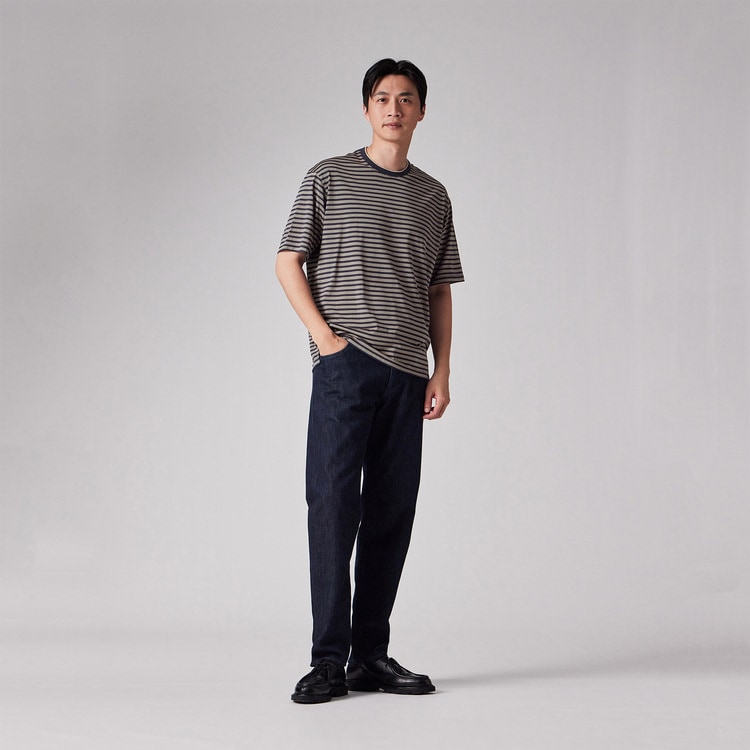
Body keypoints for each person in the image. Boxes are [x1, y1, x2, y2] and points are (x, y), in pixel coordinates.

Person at [275, 58, 464, 704]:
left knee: (392, 512)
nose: (393, 109)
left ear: (421, 111)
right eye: (382, 98)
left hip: (408, 374)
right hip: (347, 367)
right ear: (366, 109)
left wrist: (441, 368)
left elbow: (439, 289)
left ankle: (369, 657)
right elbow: (288, 261)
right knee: (333, 507)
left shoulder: (434, 197)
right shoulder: (328, 177)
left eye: (406, 99)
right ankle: (327, 660)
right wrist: (327, 342)